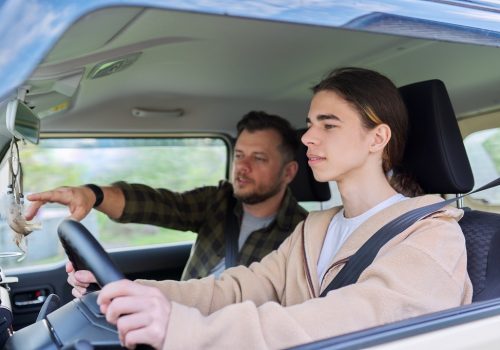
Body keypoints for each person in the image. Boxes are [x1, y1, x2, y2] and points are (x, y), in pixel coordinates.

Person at [68, 67, 472, 350]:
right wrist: (130, 292)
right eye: (310, 123)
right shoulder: (314, 229)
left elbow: (352, 322)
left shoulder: (432, 235)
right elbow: (238, 289)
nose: (309, 137)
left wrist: (187, 330)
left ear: (376, 138)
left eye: (328, 125)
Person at [25, 111, 308, 280]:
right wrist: (93, 194)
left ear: (288, 172)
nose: (242, 167)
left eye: (258, 158)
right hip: (176, 325)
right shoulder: (218, 202)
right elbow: (158, 204)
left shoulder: (304, 233)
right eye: (240, 155)